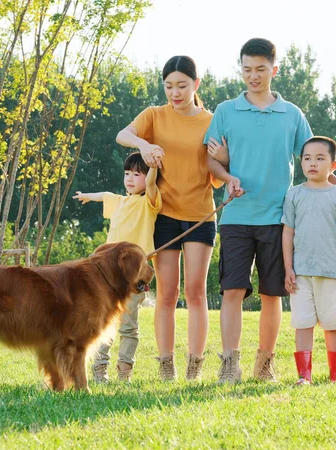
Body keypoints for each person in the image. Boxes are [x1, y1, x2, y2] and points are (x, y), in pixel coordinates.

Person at [205, 38, 336, 384]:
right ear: (240, 69)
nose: (253, 76)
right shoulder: (226, 111)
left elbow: (317, 157)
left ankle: (265, 361)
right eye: (246, 69)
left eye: (260, 69)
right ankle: (230, 362)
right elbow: (210, 159)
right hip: (237, 216)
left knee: (272, 293)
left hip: (278, 217)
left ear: (274, 69)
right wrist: (227, 177)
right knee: (232, 291)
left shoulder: (292, 114)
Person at [116, 55, 223, 381]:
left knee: (195, 292)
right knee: (165, 293)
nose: (175, 93)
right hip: (163, 214)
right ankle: (166, 366)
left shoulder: (211, 120)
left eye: (182, 85)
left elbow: (218, 171)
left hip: (201, 216)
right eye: (169, 86)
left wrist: (223, 158)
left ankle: (194, 366)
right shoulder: (154, 115)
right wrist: (143, 144)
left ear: (196, 85)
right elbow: (123, 134)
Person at [73, 152, 161, 383]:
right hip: (108, 277)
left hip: (133, 277)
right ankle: (100, 369)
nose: (130, 178)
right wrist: (87, 196)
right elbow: (105, 195)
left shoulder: (149, 202)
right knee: (103, 321)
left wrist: (153, 164)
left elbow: (151, 183)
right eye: (127, 173)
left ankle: (125, 371)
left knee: (129, 326)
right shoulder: (120, 201)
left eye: (136, 174)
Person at [282, 136, 336, 385]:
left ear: (333, 166)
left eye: (320, 158)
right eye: (307, 158)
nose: (312, 163)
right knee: (303, 323)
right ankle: (304, 376)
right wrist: (288, 268)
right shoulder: (293, 195)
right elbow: (288, 232)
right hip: (301, 273)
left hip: (331, 272)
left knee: (332, 324)